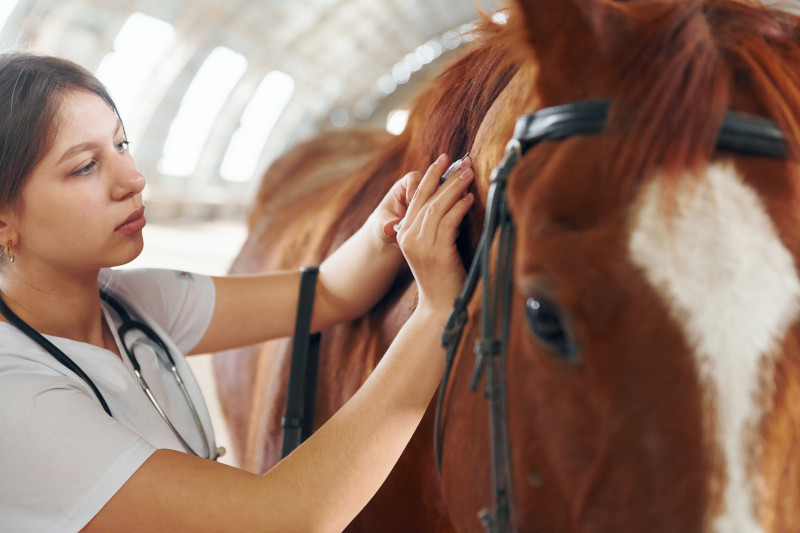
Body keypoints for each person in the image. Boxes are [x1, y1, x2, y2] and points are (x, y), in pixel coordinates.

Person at [0, 51, 475, 532]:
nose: (133, 180)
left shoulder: (130, 303)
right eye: (85, 167)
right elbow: (282, 520)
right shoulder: (16, 397)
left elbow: (326, 294)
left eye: (122, 145)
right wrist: (437, 314)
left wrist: (383, 230)